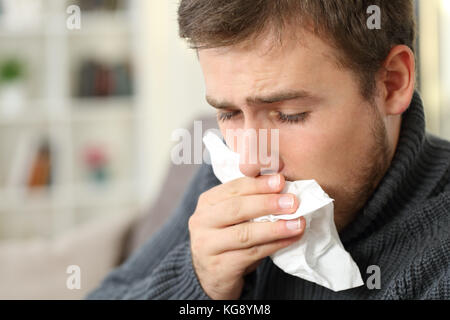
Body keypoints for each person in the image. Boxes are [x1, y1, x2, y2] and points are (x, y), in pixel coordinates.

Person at [87, 0, 450, 299]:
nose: (249, 160)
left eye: (289, 115)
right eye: (228, 113)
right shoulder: (221, 177)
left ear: (391, 83)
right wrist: (197, 282)